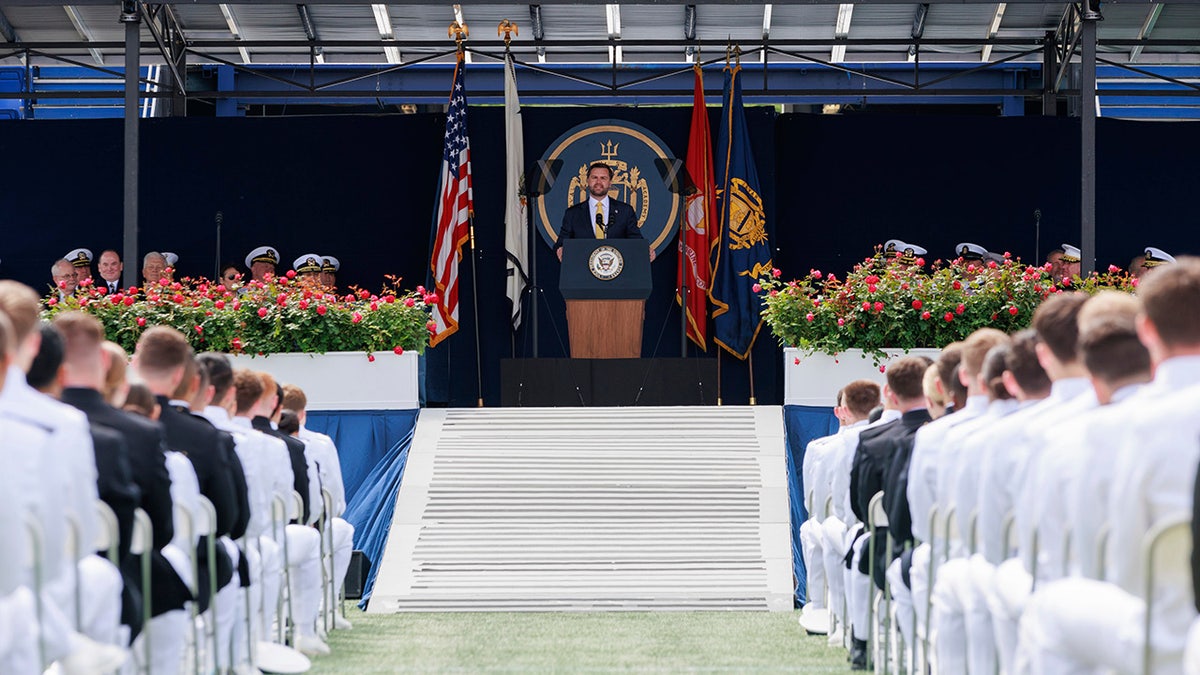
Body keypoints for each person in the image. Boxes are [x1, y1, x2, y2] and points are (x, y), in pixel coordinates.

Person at [555, 162, 654, 262]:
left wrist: (645, 250)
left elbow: (636, 241)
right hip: (582, 270)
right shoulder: (572, 213)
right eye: (594, 177)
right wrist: (560, 249)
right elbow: (561, 243)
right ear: (587, 181)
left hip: (617, 270)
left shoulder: (625, 211)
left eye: (603, 178)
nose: (598, 182)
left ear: (610, 182)